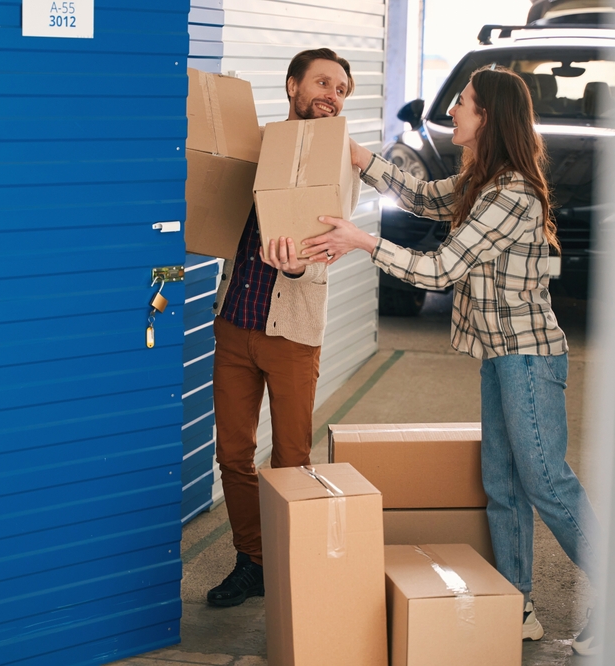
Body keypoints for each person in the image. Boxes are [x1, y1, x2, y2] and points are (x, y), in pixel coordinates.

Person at [301, 66, 601, 656]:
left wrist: (361, 241)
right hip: (498, 355)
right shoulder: (478, 180)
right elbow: (415, 195)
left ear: (487, 116)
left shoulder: (509, 193)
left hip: (529, 357)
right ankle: (517, 608)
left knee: (546, 483)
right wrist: (352, 152)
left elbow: (440, 271)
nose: (454, 112)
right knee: (503, 487)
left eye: (462, 103)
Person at [206, 48, 362, 607]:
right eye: (323, 82)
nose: (332, 94)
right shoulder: (254, 150)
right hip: (234, 323)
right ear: (293, 84)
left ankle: (293, 566)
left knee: (292, 459)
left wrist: (297, 262)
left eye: (342, 89)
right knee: (233, 455)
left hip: (292, 334)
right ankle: (253, 561)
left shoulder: (342, 163)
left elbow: (330, 243)